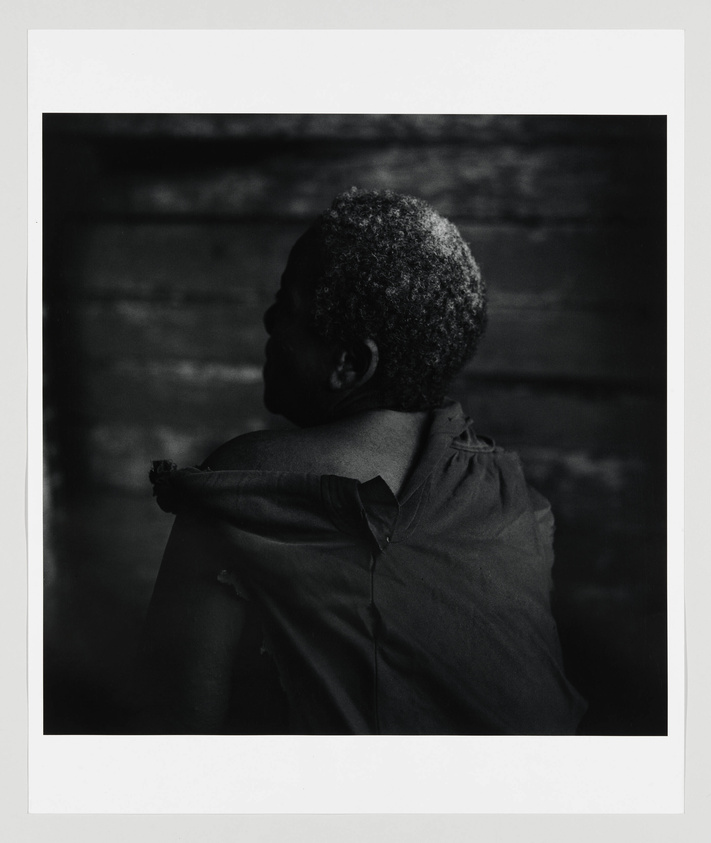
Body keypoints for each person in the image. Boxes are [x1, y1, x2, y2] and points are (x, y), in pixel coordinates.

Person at [132, 188, 586, 735]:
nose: (268, 320)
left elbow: (170, 724)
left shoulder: (251, 481)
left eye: (287, 305)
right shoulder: (514, 497)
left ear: (349, 365)